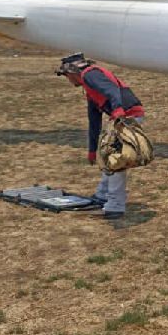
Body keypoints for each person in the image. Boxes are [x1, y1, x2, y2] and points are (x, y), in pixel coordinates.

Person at [56, 53, 145, 219]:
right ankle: (103, 194)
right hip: (122, 117)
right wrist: (92, 149)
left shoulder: (90, 75)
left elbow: (112, 91)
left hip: (127, 116)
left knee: (117, 161)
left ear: (73, 71)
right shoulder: (89, 86)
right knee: (108, 156)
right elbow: (94, 121)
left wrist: (118, 110)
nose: (69, 80)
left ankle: (115, 206)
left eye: (67, 76)